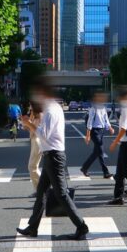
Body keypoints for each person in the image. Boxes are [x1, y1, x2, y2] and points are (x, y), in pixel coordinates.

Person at [17, 80, 89, 241]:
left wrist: (29, 123)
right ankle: (32, 227)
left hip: (55, 156)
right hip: (51, 155)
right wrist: (30, 123)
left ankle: (81, 226)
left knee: (61, 193)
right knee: (41, 192)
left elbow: (44, 134)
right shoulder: (53, 107)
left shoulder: (50, 110)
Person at [80, 91, 114, 178]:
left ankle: (84, 167)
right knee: (101, 151)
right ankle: (105, 172)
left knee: (97, 152)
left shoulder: (103, 108)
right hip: (94, 132)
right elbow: (89, 122)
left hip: (101, 131)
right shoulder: (93, 109)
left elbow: (106, 120)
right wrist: (87, 136)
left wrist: (110, 128)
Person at [23, 102, 43, 193]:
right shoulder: (34, 116)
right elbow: (25, 127)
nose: (30, 109)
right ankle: (39, 190)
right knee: (33, 167)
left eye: (31, 107)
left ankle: (43, 188)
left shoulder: (41, 116)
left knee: (32, 167)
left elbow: (40, 130)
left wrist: (29, 122)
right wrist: (28, 119)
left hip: (38, 141)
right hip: (34, 140)